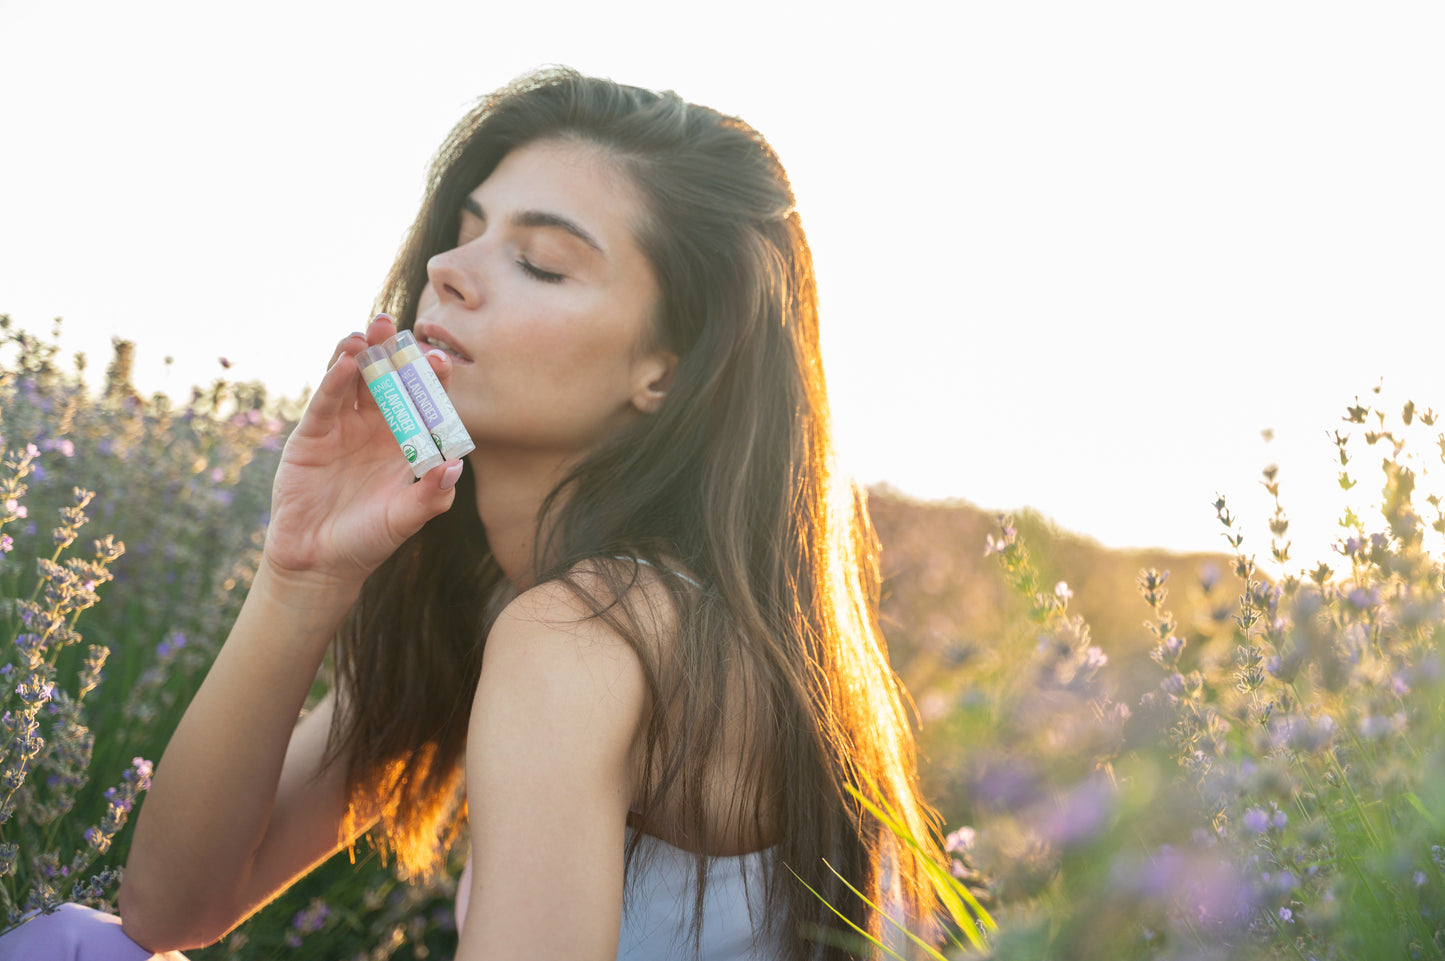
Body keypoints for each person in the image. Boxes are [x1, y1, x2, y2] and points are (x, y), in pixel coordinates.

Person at [0, 67, 942, 960]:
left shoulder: (587, 630)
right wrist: (301, 575)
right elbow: (170, 908)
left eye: (538, 262)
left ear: (669, 368)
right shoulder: (505, 605)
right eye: (466, 227)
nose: (448, 267)